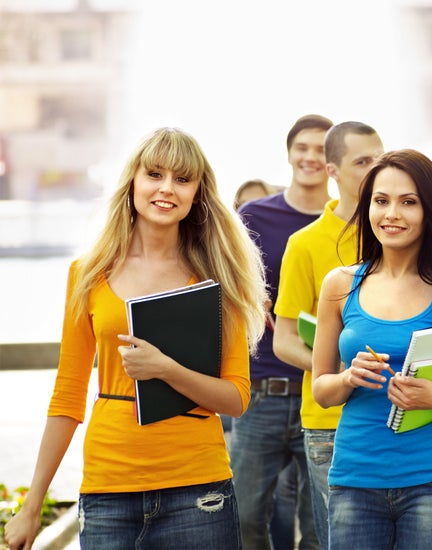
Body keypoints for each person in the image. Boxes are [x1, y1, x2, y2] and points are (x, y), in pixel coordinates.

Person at [3, 127, 268, 550]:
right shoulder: (87, 273)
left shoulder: (221, 279)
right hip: (109, 488)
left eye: (182, 180)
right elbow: (68, 394)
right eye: (155, 175)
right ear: (132, 184)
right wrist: (32, 504)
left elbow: (236, 398)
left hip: (198, 490)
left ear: (198, 193)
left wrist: (166, 370)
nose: (167, 189)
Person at [312, 149, 432, 549]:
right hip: (354, 479)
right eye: (381, 201)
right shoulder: (339, 285)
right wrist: (347, 378)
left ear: (429, 210)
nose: (391, 213)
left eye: (408, 202)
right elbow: (320, 391)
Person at [273, 121, 385, 550]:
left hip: (401, 414)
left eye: (380, 157)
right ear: (331, 169)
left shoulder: (401, 230)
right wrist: (337, 368)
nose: (376, 168)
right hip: (332, 425)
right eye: (362, 162)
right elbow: (284, 341)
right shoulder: (304, 245)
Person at [228, 114, 333, 550]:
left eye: (321, 149)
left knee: (322, 527)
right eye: (302, 147)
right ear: (288, 153)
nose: (310, 157)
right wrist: (252, 300)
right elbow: (223, 284)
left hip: (325, 393)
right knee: (243, 519)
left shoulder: (352, 220)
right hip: (261, 393)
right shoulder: (253, 216)